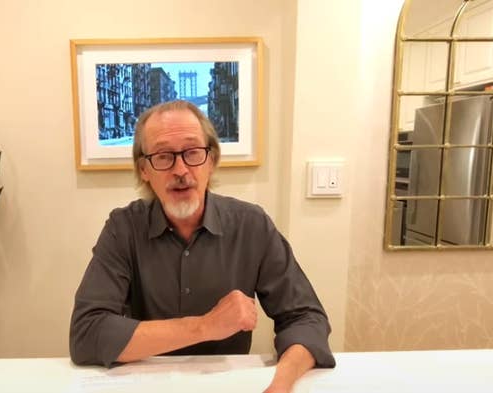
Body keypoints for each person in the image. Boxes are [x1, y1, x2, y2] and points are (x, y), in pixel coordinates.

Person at [70, 100, 335, 392]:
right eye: (163, 156)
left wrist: (281, 383)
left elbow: (306, 318)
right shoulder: (123, 228)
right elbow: (87, 333)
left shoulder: (252, 224)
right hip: (145, 384)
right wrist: (206, 326)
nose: (181, 169)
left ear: (211, 160)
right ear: (144, 169)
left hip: (229, 385)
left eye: (193, 152)